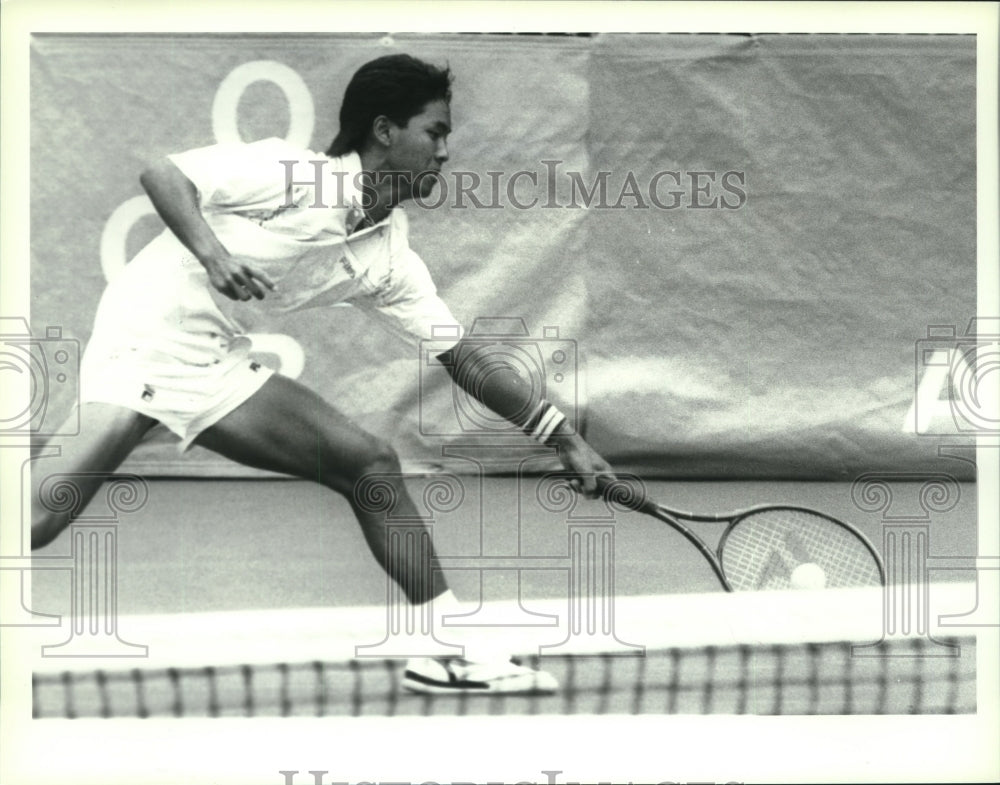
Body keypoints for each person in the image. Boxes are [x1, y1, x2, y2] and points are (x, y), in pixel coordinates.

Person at [31, 54, 615, 694]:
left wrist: (565, 439)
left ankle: (448, 651)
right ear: (386, 131)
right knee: (39, 518)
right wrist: (215, 255)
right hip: (143, 341)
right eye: (436, 131)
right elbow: (164, 175)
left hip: (211, 359)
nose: (447, 150)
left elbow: (465, 360)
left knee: (368, 465)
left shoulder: (386, 256)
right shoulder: (290, 173)